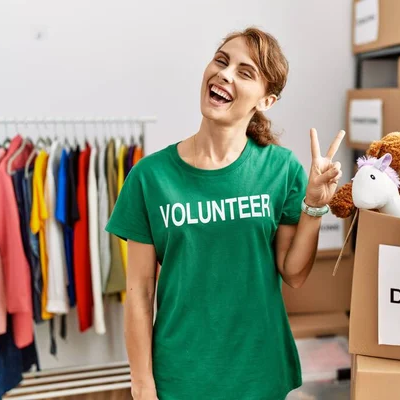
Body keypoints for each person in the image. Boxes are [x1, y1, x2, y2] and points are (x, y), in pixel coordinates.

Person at [105, 26, 345, 400]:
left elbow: (294, 275)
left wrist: (314, 205)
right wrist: (142, 384)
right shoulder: (149, 177)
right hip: (179, 376)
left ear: (266, 101)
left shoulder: (281, 169)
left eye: (245, 72)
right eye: (221, 61)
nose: (224, 74)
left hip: (259, 371)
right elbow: (139, 292)